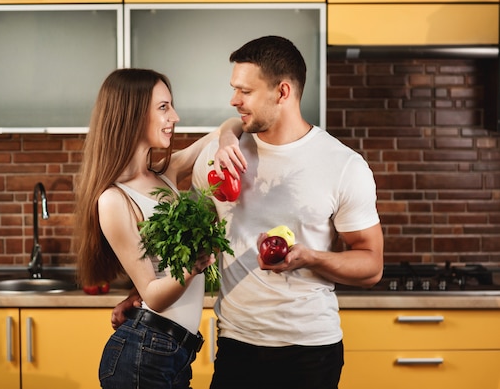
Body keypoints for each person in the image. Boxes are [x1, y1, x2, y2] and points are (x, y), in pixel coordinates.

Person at [112, 36, 384, 389]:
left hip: (311, 351)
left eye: (245, 91)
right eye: (233, 89)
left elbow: (371, 264)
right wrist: (145, 294)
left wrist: (310, 258)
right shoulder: (218, 155)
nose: (233, 100)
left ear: (282, 92)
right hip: (236, 346)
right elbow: (192, 247)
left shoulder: (343, 165)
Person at [73, 68, 243, 389]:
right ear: (132, 114)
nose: (175, 116)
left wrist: (227, 140)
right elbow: (154, 294)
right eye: (163, 107)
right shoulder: (114, 199)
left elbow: (230, 125)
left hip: (174, 354)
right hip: (144, 355)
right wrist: (192, 265)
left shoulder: (166, 173)